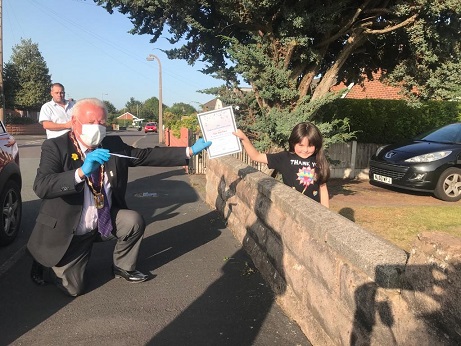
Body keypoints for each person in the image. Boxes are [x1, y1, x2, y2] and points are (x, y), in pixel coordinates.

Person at [27, 98, 212, 297]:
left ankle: (123, 266)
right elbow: (42, 186)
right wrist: (80, 172)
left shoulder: (111, 144)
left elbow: (145, 155)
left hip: (101, 220)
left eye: (101, 122)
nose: (97, 128)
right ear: (74, 122)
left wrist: (189, 151)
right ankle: (45, 263)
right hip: (70, 227)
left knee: (132, 221)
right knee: (73, 289)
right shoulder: (56, 146)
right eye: (90, 123)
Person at [233, 122, 330, 208]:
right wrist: (244, 139)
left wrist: (326, 213)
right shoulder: (284, 158)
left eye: (310, 146)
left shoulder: (319, 160)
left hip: (315, 211)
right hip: (292, 211)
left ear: (316, 145)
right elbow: (256, 156)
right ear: (293, 143)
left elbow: (323, 187)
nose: (305, 150)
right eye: (301, 145)